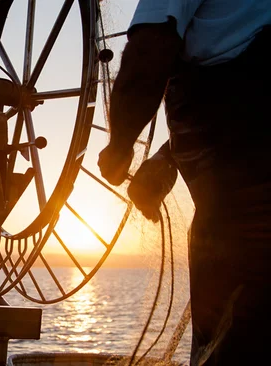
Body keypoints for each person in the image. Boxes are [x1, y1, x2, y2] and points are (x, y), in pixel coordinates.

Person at [97, 1, 271, 365]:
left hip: (242, 219)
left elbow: (151, 47)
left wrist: (119, 147)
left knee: (237, 324)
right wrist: (167, 156)